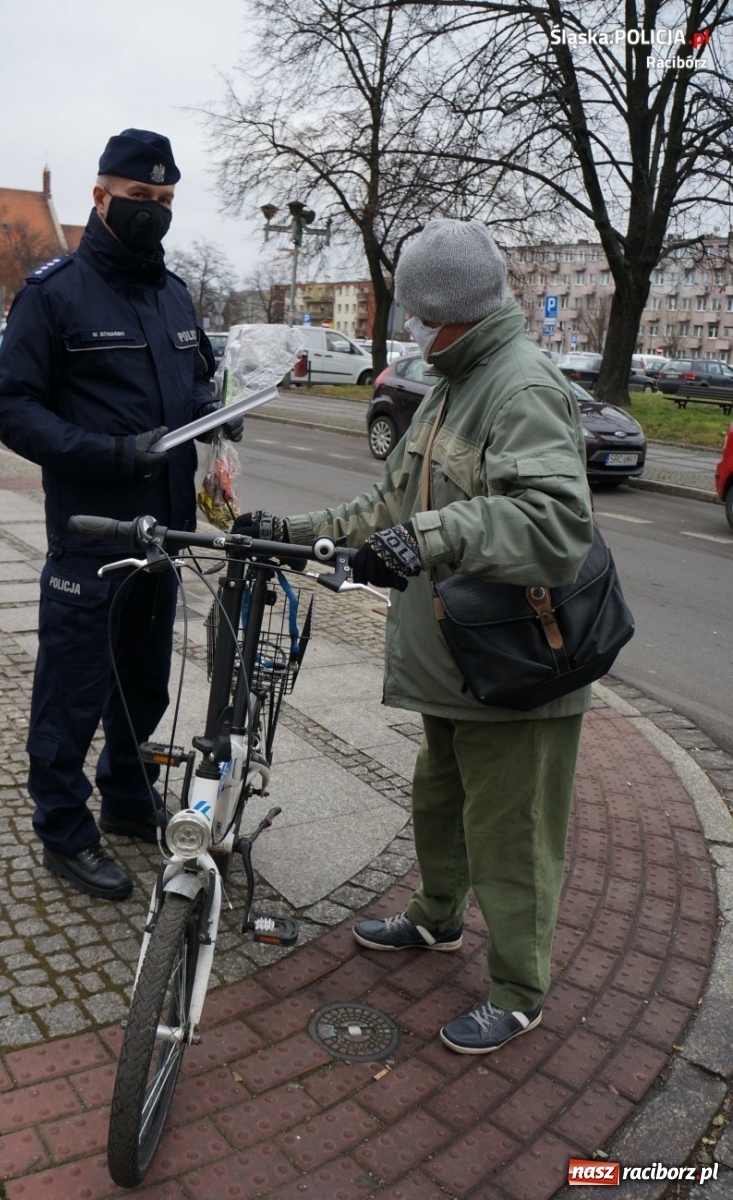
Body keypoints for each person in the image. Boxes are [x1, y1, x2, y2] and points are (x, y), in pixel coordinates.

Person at [234, 218, 594, 1053]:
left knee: (513, 833)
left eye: (415, 312)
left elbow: (555, 524)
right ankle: (437, 921)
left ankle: (518, 989)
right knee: (439, 799)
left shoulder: (520, 385)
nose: (408, 327)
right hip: (456, 659)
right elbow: (385, 507)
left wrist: (432, 538)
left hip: (516, 665)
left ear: (447, 309)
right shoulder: (451, 382)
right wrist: (287, 529)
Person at [0, 128, 240, 902]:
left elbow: (194, 387)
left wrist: (217, 421)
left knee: (145, 684)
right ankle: (64, 829)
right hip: (92, 537)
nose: (152, 213)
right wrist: (110, 451)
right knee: (70, 693)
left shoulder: (173, 293)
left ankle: (129, 800)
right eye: (138, 199)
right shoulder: (54, 292)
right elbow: (13, 409)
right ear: (100, 197)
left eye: (165, 202)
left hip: (162, 535)